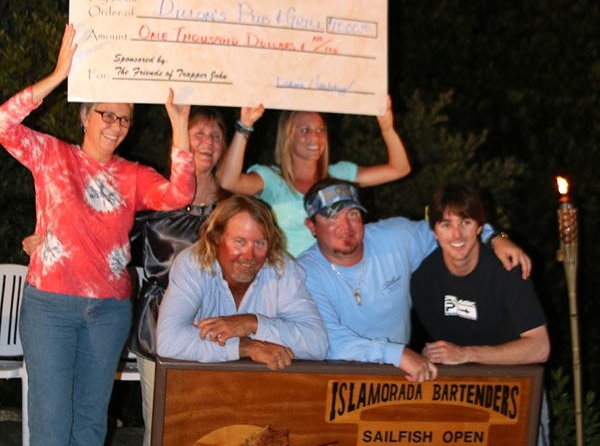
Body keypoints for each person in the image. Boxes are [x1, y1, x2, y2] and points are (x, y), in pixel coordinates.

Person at [0, 24, 195, 446]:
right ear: (85, 115)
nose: (114, 124)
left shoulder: (133, 175)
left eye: (125, 118)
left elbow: (180, 192)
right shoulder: (51, 154)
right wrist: (58, 77)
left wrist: (179, 125)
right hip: (50, 305)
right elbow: (2, 123)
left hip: (109, 310)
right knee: (50, 414)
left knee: (90, 419)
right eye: (105, 113)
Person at [410, 181, 557, 446]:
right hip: (463, 389)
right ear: (433, 229)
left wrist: (469, 354)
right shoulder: (425, 277)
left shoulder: (506, 269)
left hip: (518, 381)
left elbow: (540, 346)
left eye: (466, 222)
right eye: (446, 223)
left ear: (481, 226)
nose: (456, 235)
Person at [297, 179, 531, 382]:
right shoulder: (305, 272)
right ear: (312, 226)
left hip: (400, 377)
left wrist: (494, 237)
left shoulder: (396, 236)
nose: (345, 226)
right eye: (331, 217)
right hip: (335, 378)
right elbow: (329, 340)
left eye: (352, 214)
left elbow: (451, 227)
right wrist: (397, 354)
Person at [124, 107, 227, 446]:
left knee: (215, 423)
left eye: (215, 135)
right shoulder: (152, 205)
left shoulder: (235, 210)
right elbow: (102, 240)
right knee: (162, 422)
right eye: (197, 132)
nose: (206, 141)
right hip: (159, 327)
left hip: (221, 330)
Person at [219, 98, 411, 256]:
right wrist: (245, 125)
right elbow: (228, 181)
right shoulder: (270, 178)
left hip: (332, 280)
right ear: (288, 136)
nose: (315, 138)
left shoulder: (339, 175)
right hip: (287, 286)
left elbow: (399, 169)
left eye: (320, 130)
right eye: (305, 130)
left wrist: (387, 128)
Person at [157, 195, 328, 365]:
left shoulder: (282, 268)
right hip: (204, 381)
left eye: (260, 243)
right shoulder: (193, 263)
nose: (249, 256)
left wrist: (254, 323)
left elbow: (317, 344)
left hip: (264, 384)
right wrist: (246, 347)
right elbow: (168, 340)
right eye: (239, 242)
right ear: (217, 238)